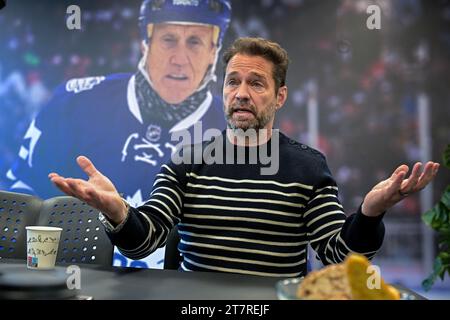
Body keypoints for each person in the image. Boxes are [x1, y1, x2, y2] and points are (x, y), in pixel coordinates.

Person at [49, 37, 440, 277]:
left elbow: (339, 256)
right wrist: (118, 213)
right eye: (233, 81)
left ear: (280, 96)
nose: (241, 93)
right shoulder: (187, 159)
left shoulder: (309, 166)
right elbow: (143, 241)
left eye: (256, 83)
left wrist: (370, 213)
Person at [7, 0, 231, 205]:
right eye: (168, 40)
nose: (179, 59)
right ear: (145, 44)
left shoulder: (233, 130)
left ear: (213, 52)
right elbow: (20, 196)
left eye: (195, 42)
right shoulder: (75, 102)